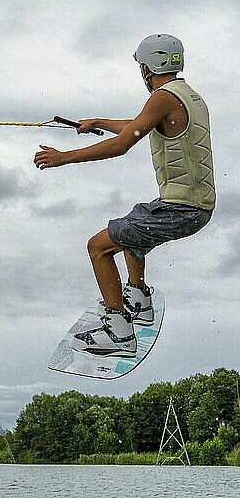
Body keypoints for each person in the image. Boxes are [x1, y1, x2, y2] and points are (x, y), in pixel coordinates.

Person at [33, 34, 216, 358]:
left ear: (147, 67)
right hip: (187, 205)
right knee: (132, 224)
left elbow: (122, 144)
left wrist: (64, 157)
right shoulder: (186, 95)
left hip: (183, 210)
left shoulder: (162, 98)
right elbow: (138, 125)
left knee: (99, 247)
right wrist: (98, 121)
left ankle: (118, 332)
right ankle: (139, 299)